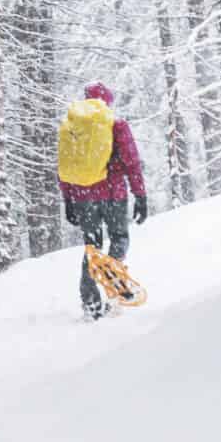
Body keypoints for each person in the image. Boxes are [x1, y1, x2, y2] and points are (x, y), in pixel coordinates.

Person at [58, 82, 148, 318]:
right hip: (113, 194)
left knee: (92, 247)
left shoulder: (72, 127)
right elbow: (132, 162)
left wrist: (68, 198)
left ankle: (91, 305)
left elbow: (65, 164)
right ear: (107, 102)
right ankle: (114, 278)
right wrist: (140, 195)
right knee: (119, 238)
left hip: (83, 197)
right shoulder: (116, 125)